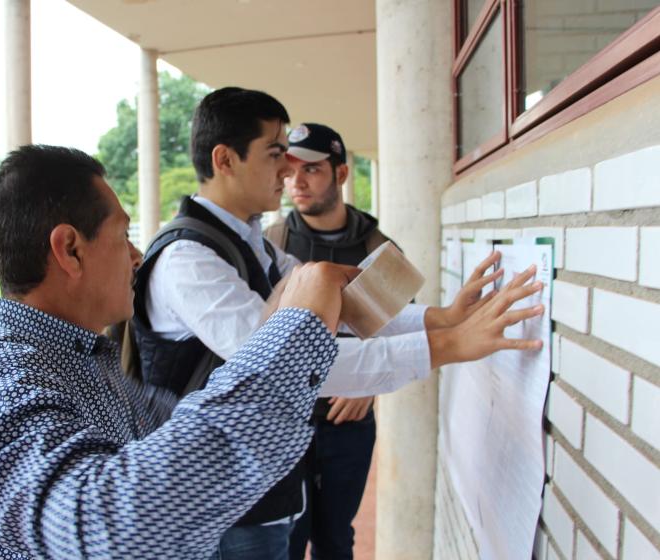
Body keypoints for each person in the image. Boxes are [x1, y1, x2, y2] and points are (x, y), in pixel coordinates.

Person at [132, 87, 545, 560]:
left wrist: (442, 318)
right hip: (219, 503)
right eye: (275, 154)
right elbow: (287, 359)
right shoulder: (189, 260)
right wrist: (447, 344)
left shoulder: (255, 245)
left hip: (263, 482)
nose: (289, 171)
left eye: (303, 162)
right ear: (225, 160)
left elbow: (346, 306)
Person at [0, 144, 365, 558]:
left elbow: (183, 423)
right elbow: (111, 532)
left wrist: (280, 325)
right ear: (70, 250)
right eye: (123, 236)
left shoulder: (83, 361)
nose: (136, 256)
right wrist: (299, 329)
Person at [266, 122, 391, 559]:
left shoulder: (380, 248)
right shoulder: (273, 242)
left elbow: (398, 329)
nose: (295, 182)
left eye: (312, 170)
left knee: (336, 539)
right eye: (289, 170)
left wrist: (370, 385)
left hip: (347, 421)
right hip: (287, 421)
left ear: (340, 173)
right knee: (287, 540)